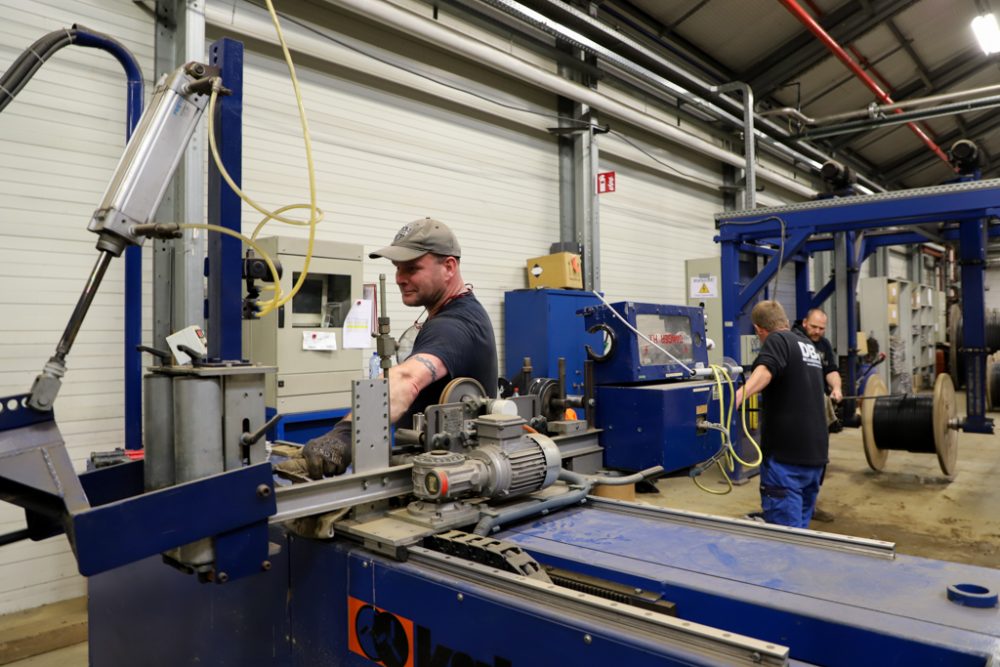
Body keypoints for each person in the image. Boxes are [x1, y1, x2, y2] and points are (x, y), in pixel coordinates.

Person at [299, 217, 498, 479]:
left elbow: (407, 378)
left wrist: (344, 435)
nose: (399, 279)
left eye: (412, 268)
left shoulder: (454, 325)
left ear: (449, 267)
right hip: (439, 472)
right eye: (397, 268)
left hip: (450, 481)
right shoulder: (457, 313)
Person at [735, 301, 829, 528]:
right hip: (815, 459)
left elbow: (765, 371)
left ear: (759, 329)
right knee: (800, 530)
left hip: (786, 462)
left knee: (785, 538)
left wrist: (733, 399)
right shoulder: (808, 346)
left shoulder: (776, 340)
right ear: (785, 321)